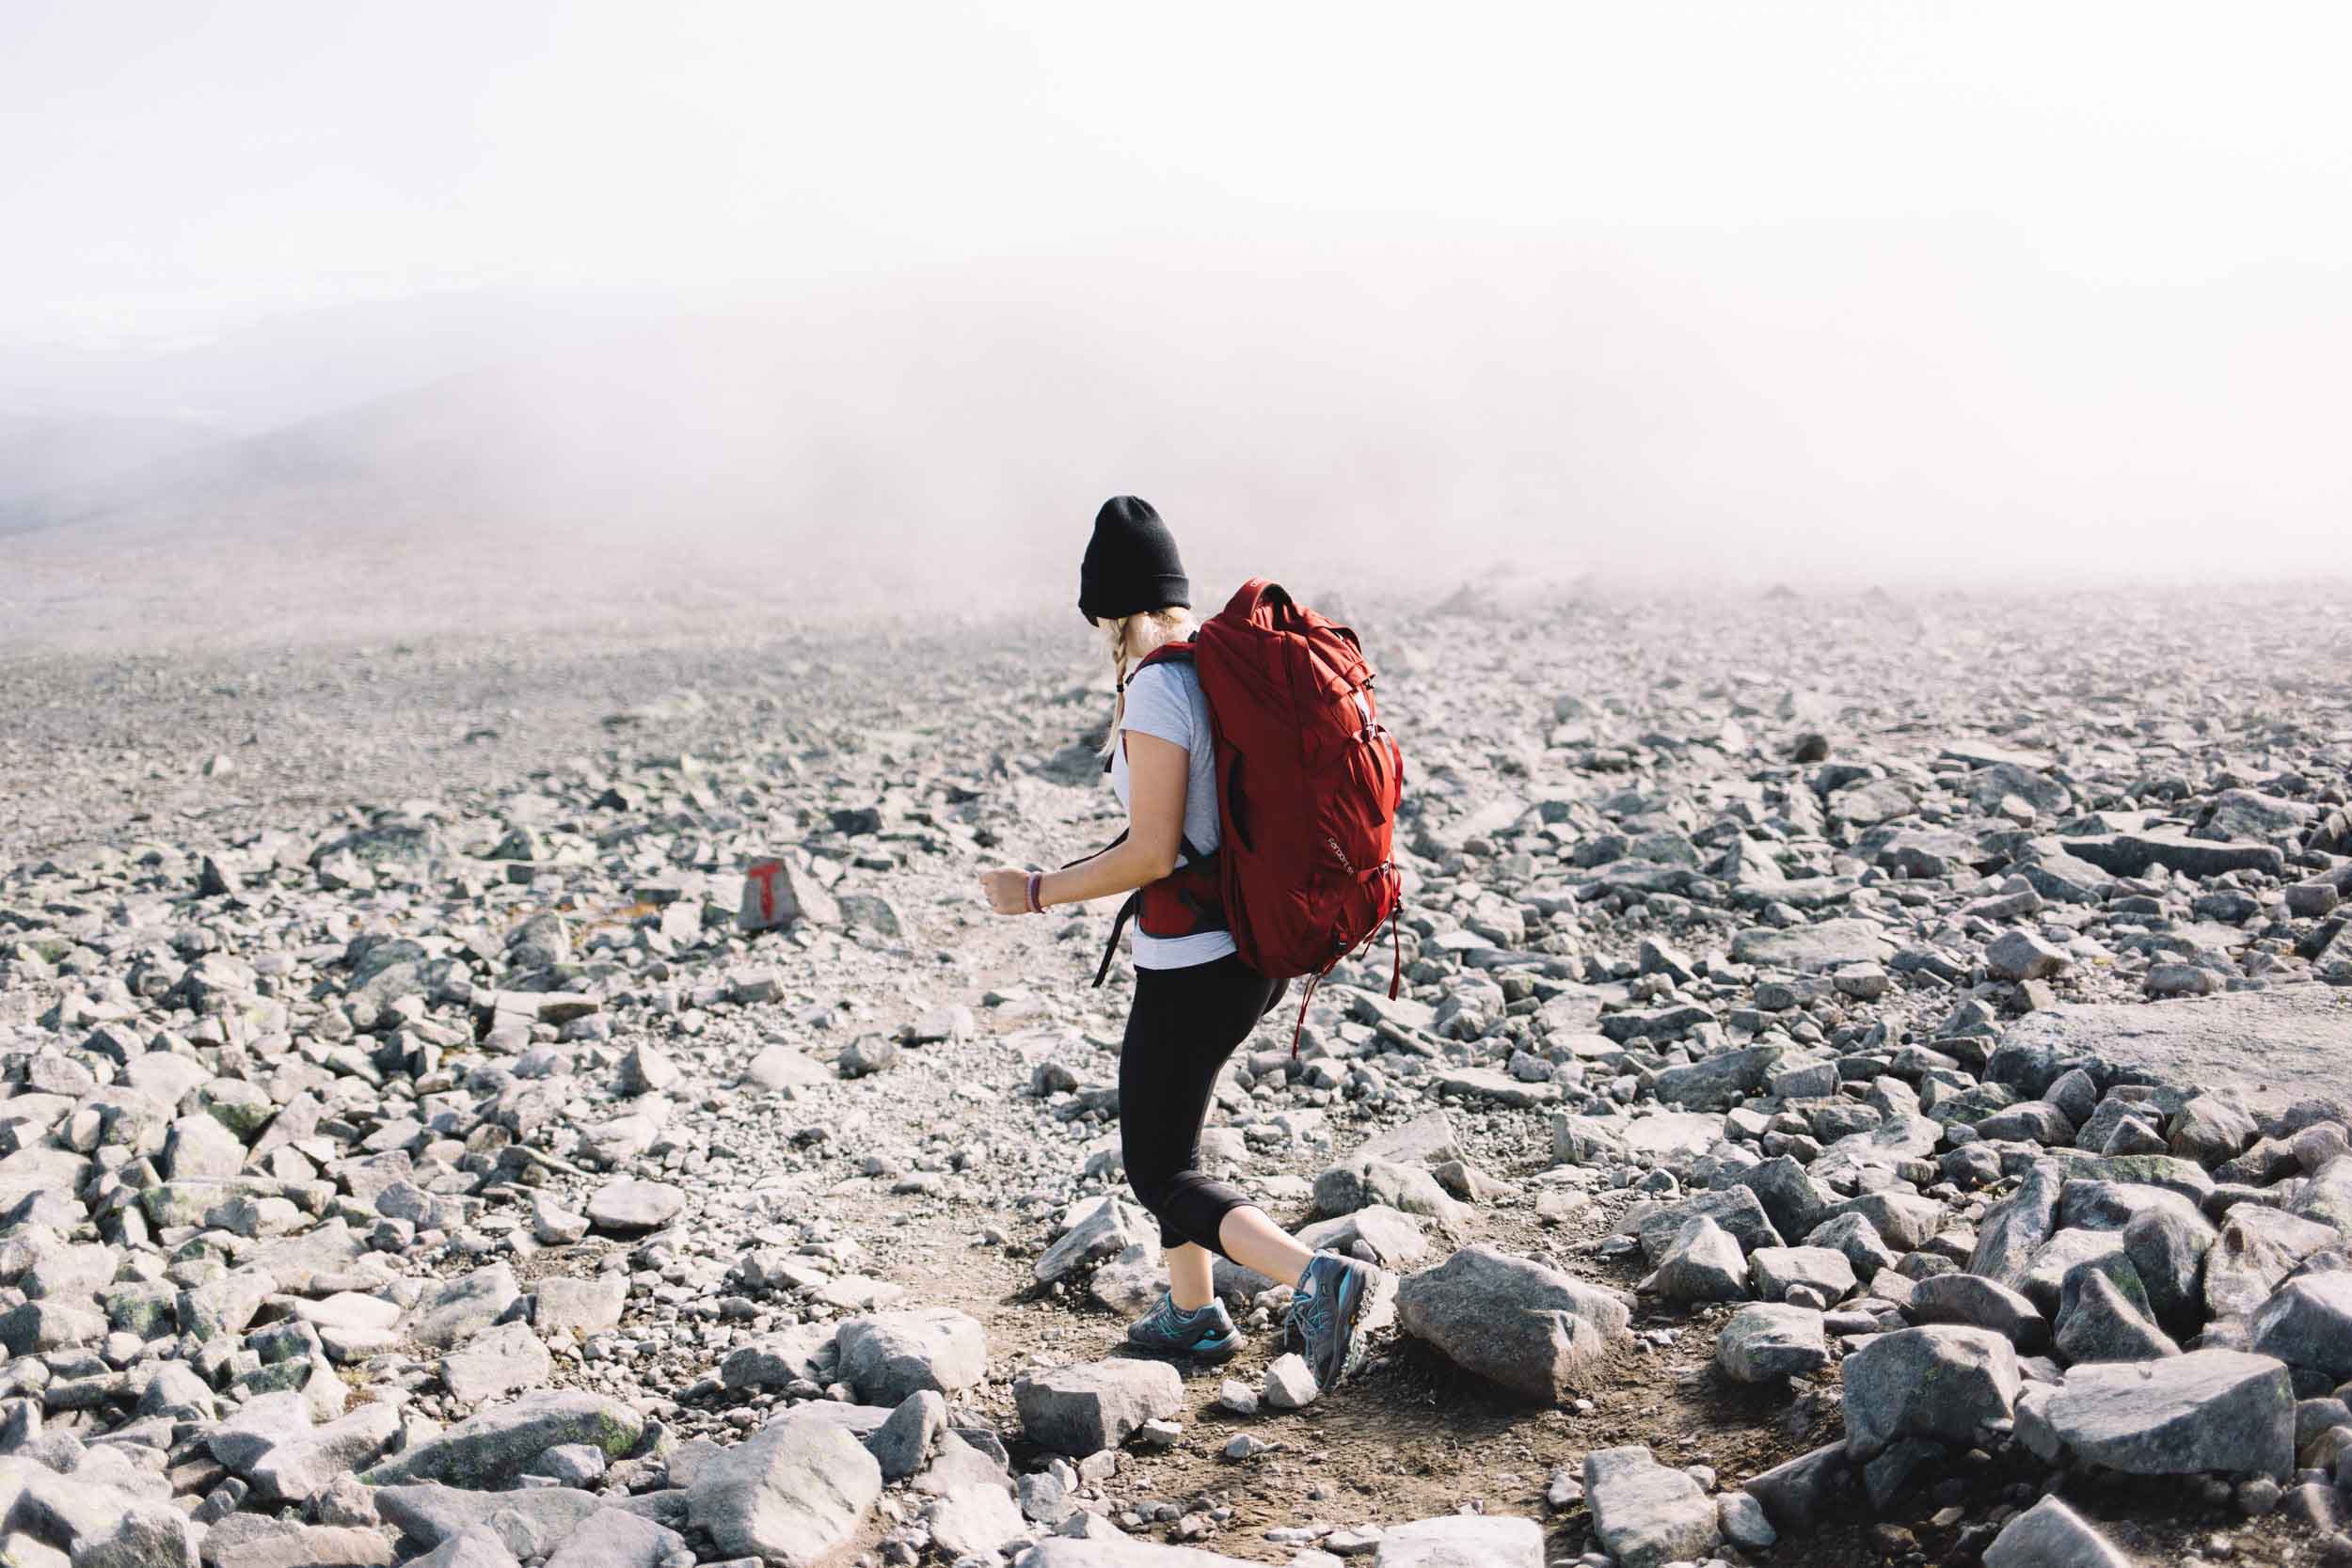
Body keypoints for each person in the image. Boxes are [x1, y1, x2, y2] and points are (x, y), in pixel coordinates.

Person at [977, 496, 1389, 1391]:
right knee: (1176, 1143)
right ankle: (1193, 1314)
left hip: (1196, 961)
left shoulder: (1161, 685)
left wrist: (1037, 891)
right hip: (1245, 952)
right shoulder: (1216, 663)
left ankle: (1317, 1279)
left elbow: (1152, 850)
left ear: (1104, 609)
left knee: (1156, 1168)